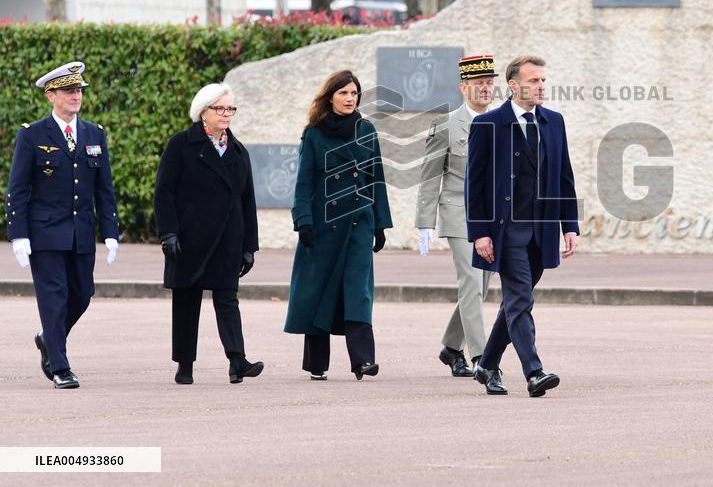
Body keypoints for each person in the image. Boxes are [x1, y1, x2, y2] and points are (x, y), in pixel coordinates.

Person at [465, 55, 579, 397]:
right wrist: (479, 231)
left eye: (543, 80)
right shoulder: (489, 124)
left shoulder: (554, 122)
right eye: (533, 81)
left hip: (541, 230)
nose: (540, 86)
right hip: (505, 230)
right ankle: (534, 371)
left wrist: (569, 225)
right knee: (520, 301)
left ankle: (486, 364)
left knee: (516, 301)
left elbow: (564, 177)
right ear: (513, 85)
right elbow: (475, 182)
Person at [6, 61, 120, 389]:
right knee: (54, 297)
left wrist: (111, 231)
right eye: (69, 90)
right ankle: (60, 366)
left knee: (83, 294)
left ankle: (47, 337)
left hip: (81, 231)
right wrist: (19, 234)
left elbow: (104, 188)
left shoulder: (94, 133)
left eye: (79, 90)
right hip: (44, 232)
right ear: (50, 95)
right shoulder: (32, 134)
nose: (76, 96)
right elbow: (19, 187)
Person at [284, 70, 393, 380]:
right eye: (343, 93)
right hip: (323, 225)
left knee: (358, 290)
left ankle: (363, 360)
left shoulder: (367, 130)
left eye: (354, 94)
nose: (349, 99)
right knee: (319, 291)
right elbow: (303, 184)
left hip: (359, 222)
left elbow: (377, 180)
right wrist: (303, 221)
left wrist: (380, 224)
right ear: (330, 96)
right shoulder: (314, 134)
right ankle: (317, 364)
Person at [153, 83, 263, 385]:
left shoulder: (238, 151)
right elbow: (163, 192)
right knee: (187, 302)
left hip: (228, 239)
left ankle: (237, 360)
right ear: (203, 111)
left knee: (228, 299)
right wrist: (168, 233)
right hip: (189, 239)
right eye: (220, 108)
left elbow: (247, 200)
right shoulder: (181, 145)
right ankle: (184, 365)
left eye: (231, 108)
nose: (226, 114)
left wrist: (249, 246)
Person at [415, 55, 497, 377]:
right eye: (479, 85)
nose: (485, 90)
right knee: (472, 282)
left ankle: (451, 348)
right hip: (457, 213)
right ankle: (482, 358)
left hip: (491, 218)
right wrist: (425, 222)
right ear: (464, 88)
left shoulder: (502, 123)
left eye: (489, 84)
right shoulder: (447, 125)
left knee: (481, 286)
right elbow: (429, 175)